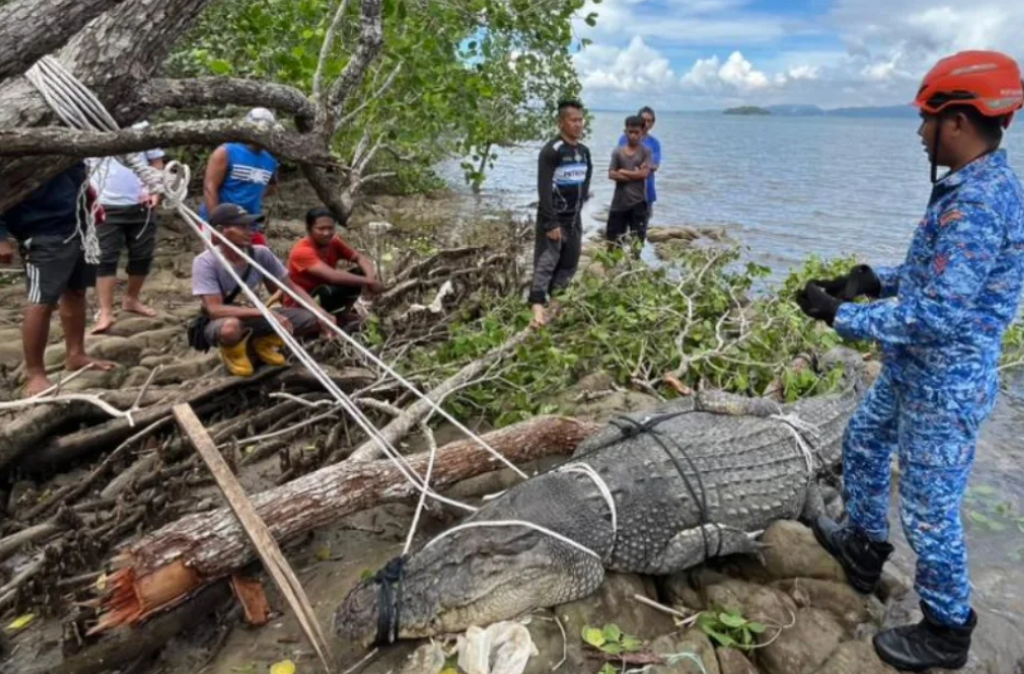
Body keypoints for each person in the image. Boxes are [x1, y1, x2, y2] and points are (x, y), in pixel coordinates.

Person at [795, 50, 1024, 671]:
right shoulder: (974, 186)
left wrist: (840, 316)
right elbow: (933, 281)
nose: (919, 132)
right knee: (865, 441)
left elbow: (939, 315)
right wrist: (870, 280)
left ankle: (948, 631)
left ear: (956, 121)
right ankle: (865, 548)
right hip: (912, 369)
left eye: (926, 119)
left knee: (929, 510)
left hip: (943, 384)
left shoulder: (977, 203)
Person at [0, 162, 116, 397]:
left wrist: (91, 208)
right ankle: (35, 373)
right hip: (40, 230)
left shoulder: (65, 138)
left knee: (76, 292)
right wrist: (0, 237)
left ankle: (76, 354)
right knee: (41, 301)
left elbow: (79, 177)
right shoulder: (14, 142)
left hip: (79, 225)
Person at [191, 204, 334, 377]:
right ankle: (234, 352)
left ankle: (262, 341)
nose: (250, 231)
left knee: (313, 319)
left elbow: (291, 286)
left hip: (256, 314)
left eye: (250, 226)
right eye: (242, 227)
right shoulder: (205, 262)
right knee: (231, 328)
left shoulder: (261, 254)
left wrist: (319, 312)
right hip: (226, 320)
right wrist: (267, 313)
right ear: (221, 230)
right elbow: (215, 310)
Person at [87, 121, 165, 334]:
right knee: (106, 259)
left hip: (141, 203)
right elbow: (83, 166)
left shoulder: (142, 125)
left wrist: (155, 190)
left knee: (142, 256)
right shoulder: (90, 124)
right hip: (105, 204)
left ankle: (131, 299)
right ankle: (105, 311)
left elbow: (156, 161)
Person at [529, 98, 592, 327]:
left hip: (574, 221)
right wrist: (551, 222)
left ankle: (553, 307)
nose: (578, 124)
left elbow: (585, 184)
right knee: (545, 264)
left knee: (569, 264)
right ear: (561, 123)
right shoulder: (551, 151)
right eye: (573, 120)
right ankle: (536, 311)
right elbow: (543, 189)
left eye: (580, 119)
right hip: (553, 220)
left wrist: (580, 204)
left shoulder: (584, 152)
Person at [286, 207, 384, 328]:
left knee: (359, 272)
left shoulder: (334, 242)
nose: (326, 233)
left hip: (323, 291)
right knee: (329, 290)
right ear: (309, 228)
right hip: (303, 301)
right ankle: (324, 319)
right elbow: (332, 276)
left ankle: (343, 314)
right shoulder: (302, 251)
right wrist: (370, 281)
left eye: (330, 228)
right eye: (321, 229)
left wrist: (370, 278)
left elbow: (361, 259)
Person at [199, 108, 280, 245]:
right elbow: (209, 188)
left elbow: (272, 186)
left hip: (249, 222)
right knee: (223, 262)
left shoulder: (270, 160)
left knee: (260, 259)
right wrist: (217, 225)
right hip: (221, 221)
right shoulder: (226, 151)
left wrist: (251, 196)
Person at [606, 115, 653, 252]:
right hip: (619, 203)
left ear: (642, 133)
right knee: (613, 240)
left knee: (637, 241)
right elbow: (611, 173)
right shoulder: (618, 152)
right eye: (630, 132)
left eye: (636, 132)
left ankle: (633, 268)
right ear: (625, 131)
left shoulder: (646, 152)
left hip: (638, 202)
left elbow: (644, 174)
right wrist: (634, 174)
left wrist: (623, 172)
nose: (633, 136)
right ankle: (612, 268)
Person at [619, 106, 661, 225]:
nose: (646, 123)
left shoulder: (654, 143)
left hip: (647, 192)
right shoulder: (624, 139)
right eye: (644, 120)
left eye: (650, 121)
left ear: (653, 123)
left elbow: (655, 165)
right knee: (622, 228)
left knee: (641, 228)